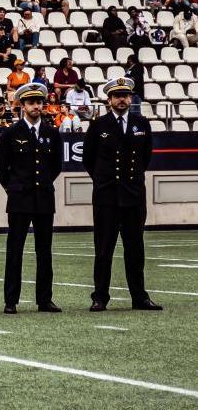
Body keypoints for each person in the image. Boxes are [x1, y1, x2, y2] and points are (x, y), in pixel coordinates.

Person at [82, 78, 162, 313]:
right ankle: (100, 297)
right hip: (107, 197)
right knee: (104, 250)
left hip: (133, 197)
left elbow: (144, 158)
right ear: (109, 100)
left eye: (125, 95)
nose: (122, 100)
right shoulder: (99, 125)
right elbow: (89, 159)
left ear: (130, 98)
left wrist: (132, 181)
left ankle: (139, 297)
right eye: (117, 96)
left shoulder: (141, 123)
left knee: (135, 249)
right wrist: (104, 181)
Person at [0, 83, 63, 314]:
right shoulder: (10, 133)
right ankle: (11, 300)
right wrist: (13, 188)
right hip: (19, 200)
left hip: (43, 198)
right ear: (22, 105)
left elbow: (56, 167)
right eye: (31, 102)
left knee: (45, 252)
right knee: (15, 251)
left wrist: (41, 184)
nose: (36, 106)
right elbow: (1, 168)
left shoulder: (51, 133)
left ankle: (44, 299)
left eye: (39, 102)